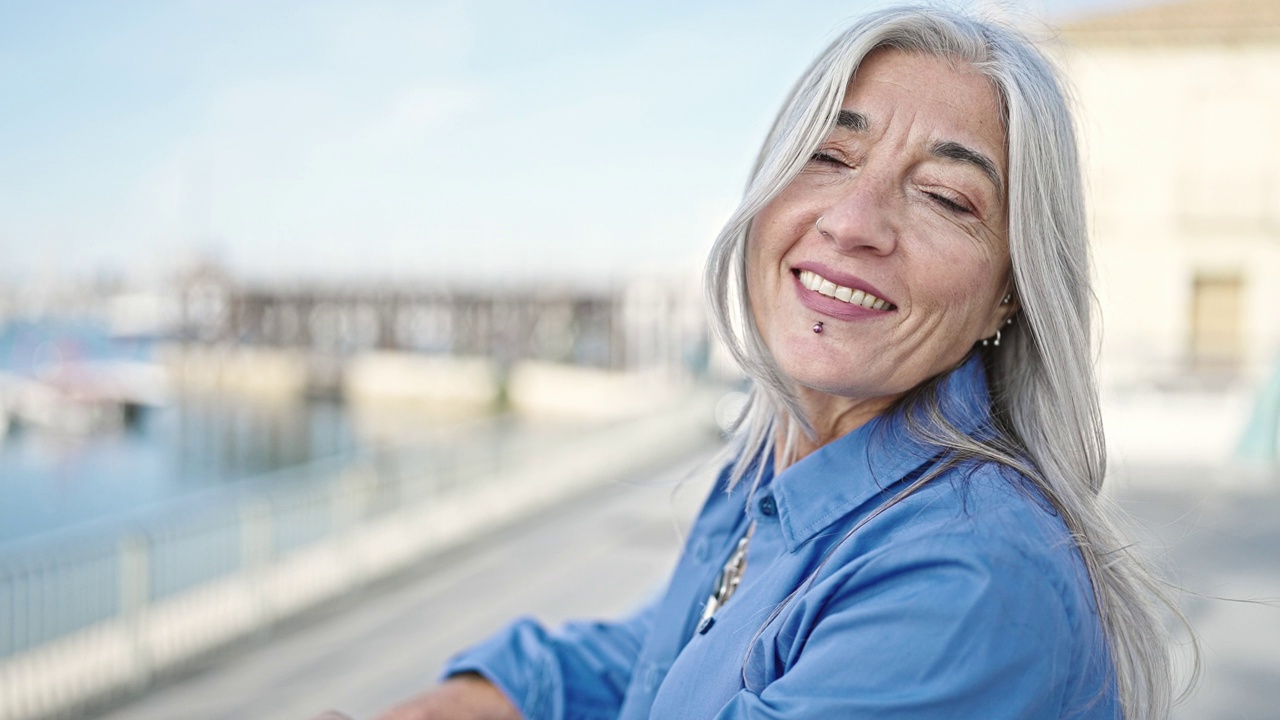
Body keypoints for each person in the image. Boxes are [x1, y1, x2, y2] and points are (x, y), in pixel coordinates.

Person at [319, 5, 1189, 719]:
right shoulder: (781, 455)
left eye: (944, 196)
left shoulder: (969, 577)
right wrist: (467, 699)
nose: (853, 221)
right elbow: (662, 656)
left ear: (1012, 291)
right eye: (829, 156)